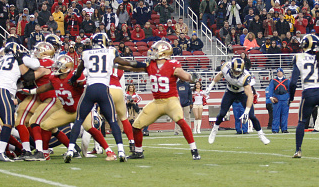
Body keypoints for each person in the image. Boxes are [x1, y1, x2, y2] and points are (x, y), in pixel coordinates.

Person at [20, 54, 117, 161]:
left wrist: (84, 85)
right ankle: (45, 154)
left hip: (81, 110)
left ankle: (109, 151)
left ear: (66, 67)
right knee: (45, 125)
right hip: (66, 110)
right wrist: (30, 91)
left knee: (89, 128)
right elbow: (46, 87)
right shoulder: (54, 78)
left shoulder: (74, 77)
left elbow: (84, 85)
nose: (56, 67)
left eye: (59, 65)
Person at [120, 40, 201, 160]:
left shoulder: (172, 64)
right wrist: (117, 65)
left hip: (170, 101)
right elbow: (133, 68)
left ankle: (194, 150)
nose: (152, 51)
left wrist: (191, 77)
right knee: (137, 126)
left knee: (180, 120)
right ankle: (138, 152)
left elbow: (182, 74)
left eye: (155, 50)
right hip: (157, 102)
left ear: (163, 52)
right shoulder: (150, 64)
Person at [63, 33, 137, 163]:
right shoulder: (111, 53)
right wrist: (141, 64)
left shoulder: (86, 53)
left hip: (90, 89)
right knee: (113, 121)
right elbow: (126, 63)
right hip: (104, 89)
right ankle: (121, 151)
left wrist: (73, 79)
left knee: (79, 120)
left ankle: (70, 150)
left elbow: (79, 72)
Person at [205, 57, 270, 146]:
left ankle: (261, 135)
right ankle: (214, 130)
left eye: (239, 71)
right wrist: (211, 85)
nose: (237, 73)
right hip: (230, 92)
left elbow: (250, 95)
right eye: (235, 70)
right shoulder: (226, 67)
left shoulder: (245, 77)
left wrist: (246, 112)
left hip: (241, 93)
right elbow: (220, 75)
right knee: (222, 113)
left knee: (252, 116)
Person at [268, 68, 290, 134]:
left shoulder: (287, 81)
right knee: (276, 115)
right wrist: (271, 97)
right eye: (278, 72)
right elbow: (271, 89)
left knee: (284, 115)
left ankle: (284, 129)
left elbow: (290, 90)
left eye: (280, 72)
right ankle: (275, 129)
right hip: (276, 99)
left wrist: (290, 98)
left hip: (285, 99)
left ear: (283, 73)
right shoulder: (273, 81)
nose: (279, 73)